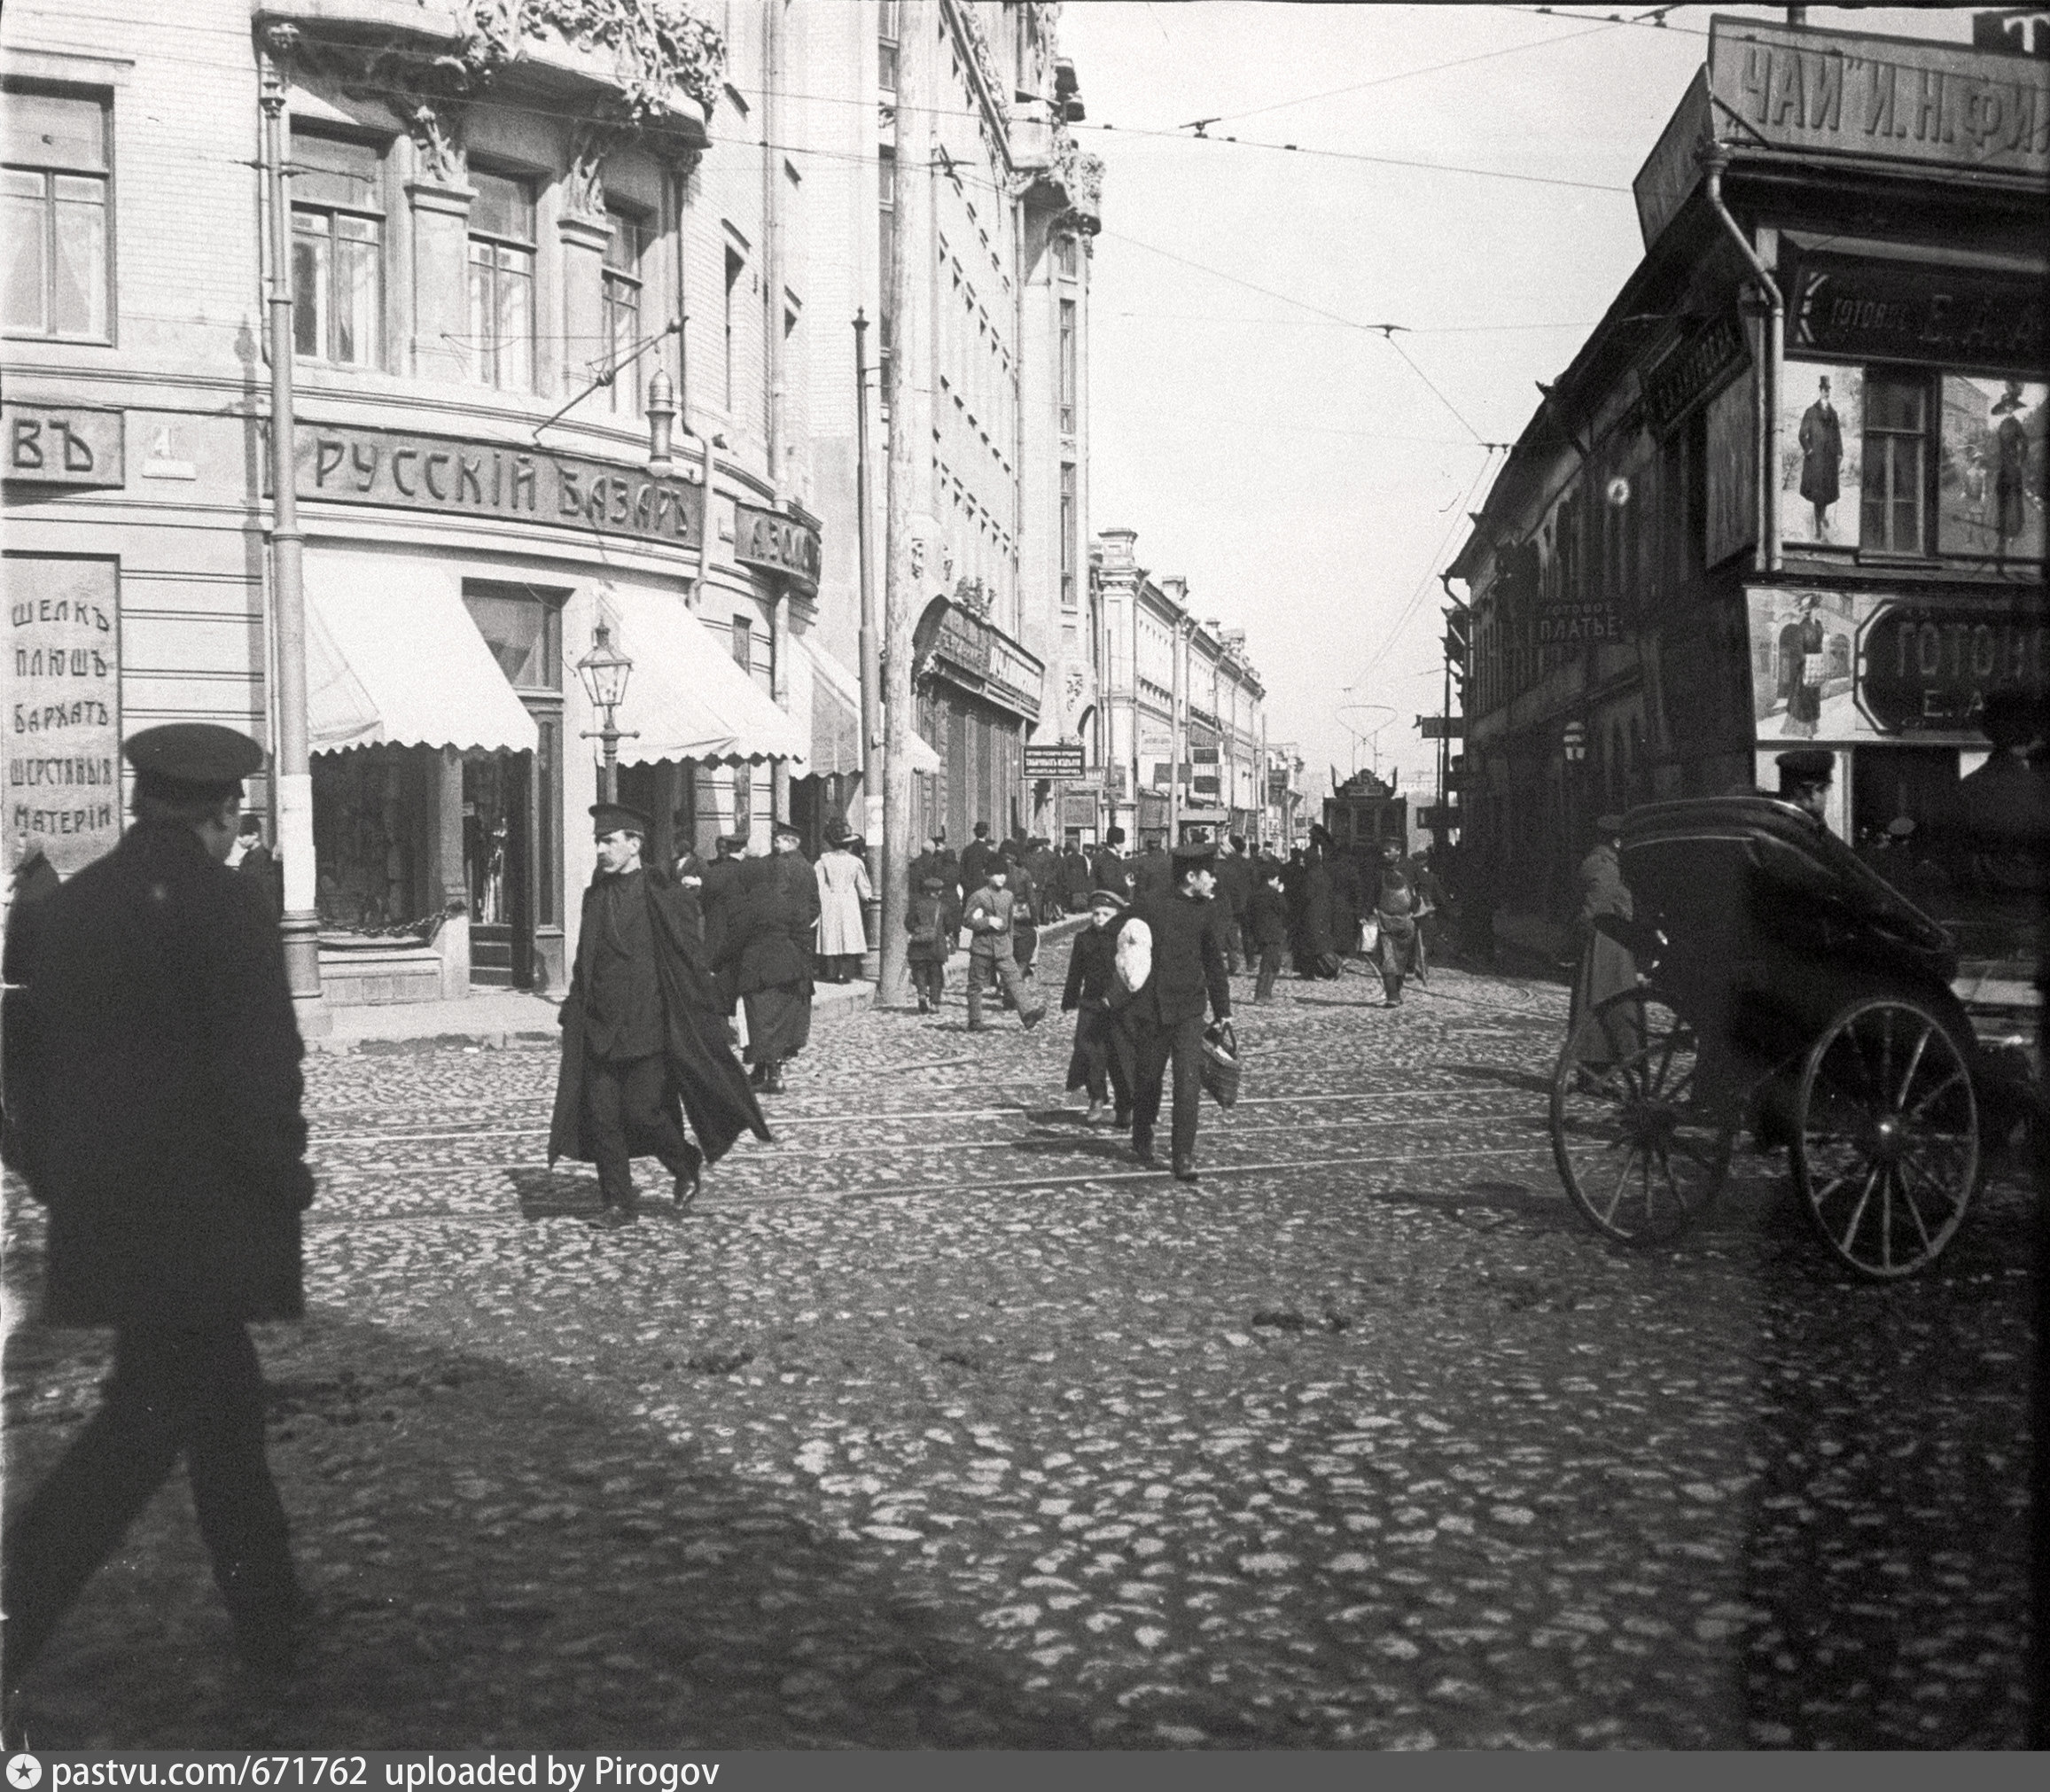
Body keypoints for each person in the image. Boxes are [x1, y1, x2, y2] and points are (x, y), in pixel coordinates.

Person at [1, 724, 316, 1695]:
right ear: (223, 810)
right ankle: (14, 1614)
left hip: (114, 1226)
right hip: (208, 1226)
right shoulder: (231, 908)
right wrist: (284, 1178)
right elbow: (261, 1072)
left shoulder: (71, 910)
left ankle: (275, 1627)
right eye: (233, 818)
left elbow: (22, 1076)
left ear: (144, 800)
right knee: (139, 1437)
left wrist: (61, 1181)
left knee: (222, 1415)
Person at [550, 804, 768, 1229]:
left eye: (609, 841)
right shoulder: (594, 896)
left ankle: (683, 1161)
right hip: (599, 1026)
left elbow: (689, 958)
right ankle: (618, 1203)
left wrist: (709, 1008)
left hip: (648, 1026)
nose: (600, 849)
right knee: (603, 1117)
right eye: (598, 841)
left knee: (644, 1113)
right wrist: (575, 1007)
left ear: (635, 844)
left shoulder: (663, 893)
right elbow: (584, 959)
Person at [1120, 841, 1234, 1180]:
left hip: (1189, 1011)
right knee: (1148, 1079)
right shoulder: (1152, 908)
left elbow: (1214, 963)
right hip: (1153, 1010)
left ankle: (1183, 1155)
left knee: (1188, 1083)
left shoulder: (1207, 911)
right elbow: (1125, 940)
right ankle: (1142, 1133)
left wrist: (1223, 1009)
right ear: (1190, 876)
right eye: (1208, 875)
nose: (1213, 881)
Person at [724, 823, 820, 1093]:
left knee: (758, 1018)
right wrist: (802, 956)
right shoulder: (808, 869)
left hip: (760, 966)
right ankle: (763, 1069)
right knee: (777, 1018)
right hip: (791, 957)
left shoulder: (753, 900)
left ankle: (769, 1071)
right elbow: (813, 909)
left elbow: (737, 936)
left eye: (779, 840)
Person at [1062, 889, 1134, 1125]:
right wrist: (1069, 999)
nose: (1100, 918)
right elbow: (1075, 972)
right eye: (1096, 914)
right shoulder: (1083, 939)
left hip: (1119, 1005)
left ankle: (1125, 1105)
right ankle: (1096, 1097)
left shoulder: (1124, 938)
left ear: (1117, 915)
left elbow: (1134, 971)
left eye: (1106, 914)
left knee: (1119, 1056)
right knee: (1089, 1050)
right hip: (1091, 1002)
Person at [1569, 814, 1638, 1061]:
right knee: (1609, 1006)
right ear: (1617, 841)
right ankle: (1601, 1064)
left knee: (1597, 1004)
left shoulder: (1596, 860)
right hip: (1608, 946)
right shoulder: (1606, 865)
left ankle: (1598, 1067)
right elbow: (1595, 905)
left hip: (1604, 943)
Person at [963, 861, 1042, 1032]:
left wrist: (1010, 943)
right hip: (982, 946)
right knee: (976, 984)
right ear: (988, 876)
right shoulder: (978, 896)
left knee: (1014, 979)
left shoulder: (1008, 896)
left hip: (1003, 946)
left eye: (1004, 874)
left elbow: (1011, 923)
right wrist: (987, 921)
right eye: (997, 874)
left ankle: (1028, 1014)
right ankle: (974, 1020)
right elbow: (967, 920)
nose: (1001, 878)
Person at [1368, 837, 1432, 1007]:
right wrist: (1368, 911)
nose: (1386, 854)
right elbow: (1372, 892)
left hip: (1406, 920)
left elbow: (1426, 883)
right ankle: (1392, 996)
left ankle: (1396, 989)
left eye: (1390, 850)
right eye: (1384, 851)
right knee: (1387, 959)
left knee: (1402, 959)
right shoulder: (1378, 870)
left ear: (1399, 851)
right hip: (1385, 920)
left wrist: (1418, 900)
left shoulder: (1410, 866)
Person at [814, 833, 872, 984]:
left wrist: (818, 900)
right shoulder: (855, 862)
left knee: (831, 934)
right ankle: (845, 973)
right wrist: (867, 897)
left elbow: (818, 884)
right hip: (848, 900)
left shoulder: (824, 861)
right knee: (848, 934)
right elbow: (863, 885)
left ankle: (830, 972)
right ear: (849, 846)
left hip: (830, 899)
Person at [1798, 372, 1843, 541]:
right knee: (1818, 495)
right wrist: (1809, 450)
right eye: (1824, 389)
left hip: (1830, 459)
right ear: (1820, 390)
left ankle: (1822, 516)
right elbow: (1802, 435)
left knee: (1827, 492)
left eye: (1828, 389)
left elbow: (1838, 435)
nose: (1826, 392)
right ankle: (1818, 528)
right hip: (1816, 460)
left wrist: (1840, 452)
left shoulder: (1833, 413)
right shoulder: (1810, 412)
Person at [905, 874, 955, 1014]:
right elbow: (949, 927)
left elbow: (908, 923)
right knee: (936, 975)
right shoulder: (943, 907)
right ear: (939, 891)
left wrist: (919, 930)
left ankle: (921, 994)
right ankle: (934, 1002)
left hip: (918, 946)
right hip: (936, 946)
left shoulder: (916, 906)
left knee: (919, 971)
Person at [1777, 595, 1826, 737]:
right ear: (1810, 610)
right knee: (1802, 700)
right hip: (1805, 667)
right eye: (1815, 608)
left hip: (1815, 666)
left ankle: (1811, 729)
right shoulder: (1802, 626)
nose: (1817, 610)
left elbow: (1820, 645)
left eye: (1817, 608)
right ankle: (1801, 731)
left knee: (1812, 699)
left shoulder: (1819, 625)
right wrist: (1806, 661)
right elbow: (1797, 648)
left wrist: (1818, 660)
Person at [1247, 861, 1290, 1003]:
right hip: (1273, 932)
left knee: (1270, 962)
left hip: (1260, 932)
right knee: (1270, 964)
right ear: (1270, 880)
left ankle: (1266, 993)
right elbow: (1284, 909)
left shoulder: (1255, 894)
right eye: (1276, 879)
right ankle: (1262, 994)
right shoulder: (1273, 894)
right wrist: (1280, 893)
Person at [1213, 835, 1252, 975]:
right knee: (1235, 936)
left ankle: (1220, 965)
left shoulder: (1221, 866)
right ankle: (1238, 963)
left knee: (1219, 935)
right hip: (1241, 905)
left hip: (1223, 904)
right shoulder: (1245, 863)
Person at [1004, 842, 1041, 983]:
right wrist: (1035, 919)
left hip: (1001, 912)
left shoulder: (997, 873)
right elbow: (1032, 899)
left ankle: (1001, 980)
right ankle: (1030, 967)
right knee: (1034, 938)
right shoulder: (1023, 873)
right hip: (1020, 913)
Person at [1775, 746, 1835, 829]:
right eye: (1824, 791)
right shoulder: (1806, 831)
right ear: (1813, 793)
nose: (1826, 799)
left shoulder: (1773, 822)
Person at [1092, 825, 1134, 905]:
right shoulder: (1108, 860)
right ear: (1115, 844)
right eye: (1122, 842)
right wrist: (1127, 884)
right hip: (1110, 903)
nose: (1124, 845)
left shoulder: (1106, 858)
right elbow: (1112, 885)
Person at [959, 821, 999, 901]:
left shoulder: (967, 850)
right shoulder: (988, 852)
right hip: (984, 892)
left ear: (975, 833)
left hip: (969, 891)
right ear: (987, 833)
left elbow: (961, 871)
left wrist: (967, 886)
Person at [1131, 835, 1174, 903]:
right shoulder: (1170, 861)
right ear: (1160, 844)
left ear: (1147, 845)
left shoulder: (1143, 862)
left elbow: (1140, 889)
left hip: (1149, 905)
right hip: (1168, 904)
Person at [1060, 839, 1093, 914]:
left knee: (1073, 893)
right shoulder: (1082, 858)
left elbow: (1065, 871)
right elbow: (1085, 870)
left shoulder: (1067, 858)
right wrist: (1085, 878)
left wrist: (1066, 880)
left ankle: (1074, 908)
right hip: (1081, 879)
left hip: (1072, 879)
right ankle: (1082, 907)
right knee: (1081, 892)